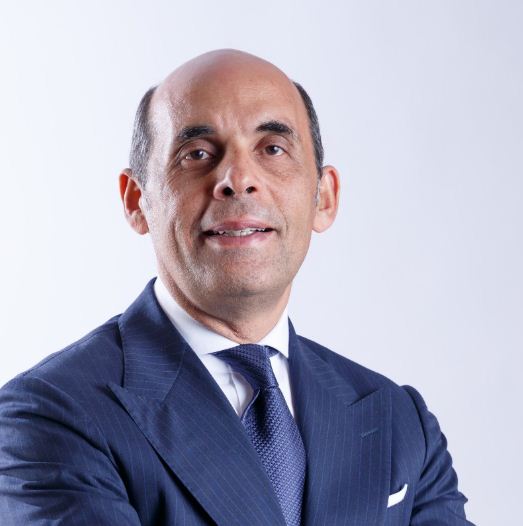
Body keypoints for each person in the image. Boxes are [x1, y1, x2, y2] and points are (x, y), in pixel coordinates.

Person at [0, 49, 473, 525]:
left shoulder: (399, 422)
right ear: (137, 201)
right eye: (197, 154)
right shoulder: (50, 416)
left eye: (273, 149)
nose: (239, 179)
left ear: (324, 197)